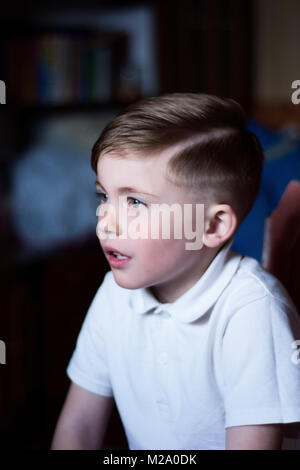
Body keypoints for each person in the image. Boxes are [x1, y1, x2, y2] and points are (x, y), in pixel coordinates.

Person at [51, 93, 300, 450]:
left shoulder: (251, 310)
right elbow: (78, 427)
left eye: (135, 202)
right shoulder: (113, 294)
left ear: (212, 225)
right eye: (103, 196)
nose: (106, 221)